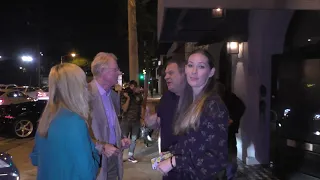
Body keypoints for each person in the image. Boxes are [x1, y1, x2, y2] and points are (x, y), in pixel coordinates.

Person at [157, 49, 229, 180]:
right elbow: (189, 143)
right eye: (190, 65)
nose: (194, 71)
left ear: (211, 72)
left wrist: (175, 161)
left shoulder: (213, 106)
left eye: (201, 66)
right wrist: (171, 154)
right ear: (185, 69)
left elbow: (216, 159)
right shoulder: (188, 101)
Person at [30, 63, 100, 180]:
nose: (86, 87)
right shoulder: (75, 121)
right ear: (76, 88)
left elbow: (35, 158)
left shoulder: (47, 117)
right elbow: (88, 173)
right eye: (83, 83)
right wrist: (96, 155)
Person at [144, 58, 192, 179]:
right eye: (166, 74)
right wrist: (151, 123)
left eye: (171, 73)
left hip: (189, 166)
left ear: (184, 74)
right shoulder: (166, 97)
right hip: (167, 164)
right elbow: (160, 121)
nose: (166, 77)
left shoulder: (196, 100)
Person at [89, 52, 131, 180]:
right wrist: (101, 147)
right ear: (103, 71)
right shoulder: (85, 95)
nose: (119, 73)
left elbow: (112, 124)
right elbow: (77, 133)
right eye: (116, 69)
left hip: (113, 157)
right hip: (95, 161)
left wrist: (120, 139)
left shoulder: (112, 95)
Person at [216, 82, 246, 180]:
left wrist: (232, 119)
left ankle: (230, 176)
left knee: (230, 156)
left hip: (228, 133)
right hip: (216, 134)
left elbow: (241, 107)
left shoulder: (230, 98)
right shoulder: (211, 99)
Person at [120, 80, 144, 163]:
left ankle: (130, 156)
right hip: (126, 121)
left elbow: (141, 107)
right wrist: (128, 98)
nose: (133, 88)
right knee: (123, 139)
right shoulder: (125, 95)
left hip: (136, 121)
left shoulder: (139, 96)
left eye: (134, 86)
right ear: (129, 86)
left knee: (133, 139)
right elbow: (124, 108)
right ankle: (120, 157)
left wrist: (142, 118)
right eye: (131, 86)